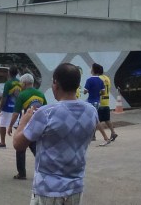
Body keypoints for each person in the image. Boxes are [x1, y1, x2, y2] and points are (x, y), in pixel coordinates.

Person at [12, 63, 98, 204]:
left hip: (48, 190)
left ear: (56, 84)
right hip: (75, 188)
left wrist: (24, 121)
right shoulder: (91, 112)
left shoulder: (46, 113)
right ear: (78, 85)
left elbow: (18, 144)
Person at [10, 73, 46, 180]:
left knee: (20, 148)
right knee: (36, 148)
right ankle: (45, 170)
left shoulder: (22, 95)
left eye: (21, 83)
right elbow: (46, 110)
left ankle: (21, 173)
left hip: (27, 124)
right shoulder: (41, 94)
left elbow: (15, 113)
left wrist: (10, 126)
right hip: (38, 124)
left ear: (24, 83)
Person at [0, 66, 20, 148]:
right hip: (16, 107)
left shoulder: (8, 83)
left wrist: (0, 108)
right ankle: (24, 140)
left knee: (2, 124)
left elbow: (4, 97)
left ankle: (3, 143)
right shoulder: (20, 82)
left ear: (9, 73)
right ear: (17, 73)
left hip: (7, 107)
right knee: (17, 125)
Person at [92, 63, 118, 144]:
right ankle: (113, 132)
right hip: (106, 101)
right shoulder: (107, 78)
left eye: (92, 69)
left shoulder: (97, 79)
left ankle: (93, 136)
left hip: (98, 101)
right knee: (107, 119)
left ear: (95, 70)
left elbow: (96, 90)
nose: (91, 70)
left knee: (95, 119)